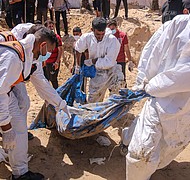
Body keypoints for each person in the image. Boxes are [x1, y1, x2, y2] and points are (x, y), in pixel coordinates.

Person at [121, 10, 190, 179]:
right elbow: (155, 51)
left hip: (185, 109)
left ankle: (152, 165)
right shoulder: (180, 24)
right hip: (160, 99)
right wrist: (144, 82)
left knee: (172, 144)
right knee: (141, 151)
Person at [0, 26, 70, 180]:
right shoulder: (14, 57)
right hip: (2, 93)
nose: (49, 55)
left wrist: (61, 104)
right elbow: (0, 93)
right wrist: (6, 128)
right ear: (43, 45)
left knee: (22, 106)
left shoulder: (30, 57)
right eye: (49, 51)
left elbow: (42, 85)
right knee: (16, 127)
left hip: (5, 91)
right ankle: (20, 174)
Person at [75, 17, 123, 103]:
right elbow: (78, 49)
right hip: (97, 73)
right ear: (92, 30)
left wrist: (93, 61)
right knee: (93, 101)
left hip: (112, 72)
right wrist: (77, 66)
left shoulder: (112, 40)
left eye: (102, 34)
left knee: (117, 97)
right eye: (97, 34)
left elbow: (110, 61)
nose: (100, 37)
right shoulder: (87, 37)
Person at [107, 19, 134, 86]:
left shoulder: (122, 35)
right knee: (111, 80)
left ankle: (123, 94)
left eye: (113, 28)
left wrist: (130, 61)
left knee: (122, 80)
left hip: (120, 60)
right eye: (110, 29)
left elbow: (127, 49)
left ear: (116, 27)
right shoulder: (107, 36)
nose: (111, 30)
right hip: (110, 61)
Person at [44, 20, 62, 89]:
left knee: (53, 79)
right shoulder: (44, 38)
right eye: (49, 26)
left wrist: (57, 61)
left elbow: (60, 49)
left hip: (53, 62)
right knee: (46, 80)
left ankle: (57, 94)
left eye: (52, 26)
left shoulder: (57, 37)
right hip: (46, 62)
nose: (51, 28)